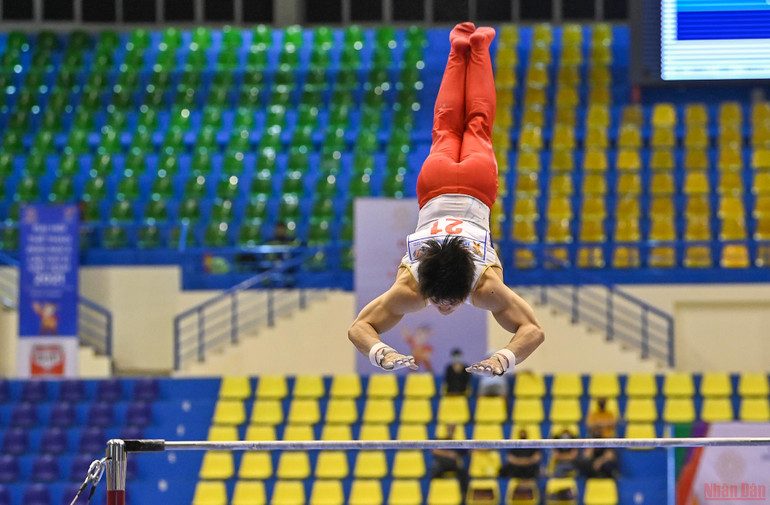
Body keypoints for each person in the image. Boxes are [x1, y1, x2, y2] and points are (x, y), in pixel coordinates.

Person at [348, 22, 544, 377]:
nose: (443, 307)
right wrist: (380, 352)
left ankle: (478, 47)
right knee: (446, 125)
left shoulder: (456, 288)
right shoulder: (469, 289)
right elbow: (532, 331)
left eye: (444, 301)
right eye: (443, 301)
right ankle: (460, 47)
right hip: (434, 183)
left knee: (477, 123)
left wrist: (382, 352)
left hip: (475, 183)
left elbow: (359, 327)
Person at [430, 425, 469, 498]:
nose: (451, 431)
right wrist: (449, 454)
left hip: (453, 465)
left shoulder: (457, 443)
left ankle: (464, 494)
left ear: (455, 431)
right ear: (446, 429)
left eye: (453, 429)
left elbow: (470, 451)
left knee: (463, 472)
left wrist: (483, 447)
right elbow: (434, 450)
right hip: (442, 464)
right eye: (449, 428)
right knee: (435, 468)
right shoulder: (441, 440)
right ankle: (437, 492)